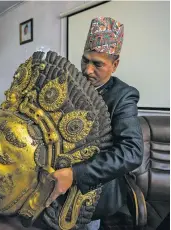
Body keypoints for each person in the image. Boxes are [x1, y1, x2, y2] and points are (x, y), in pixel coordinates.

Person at [45, 17, 143, 229]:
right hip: (53, 181)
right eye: (84, 60)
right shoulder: (69, 86)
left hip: (91, 192)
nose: (87, 70)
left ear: (114, 65)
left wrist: (75, 174)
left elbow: (131, 152)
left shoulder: (123, 96)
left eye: (97, 64)